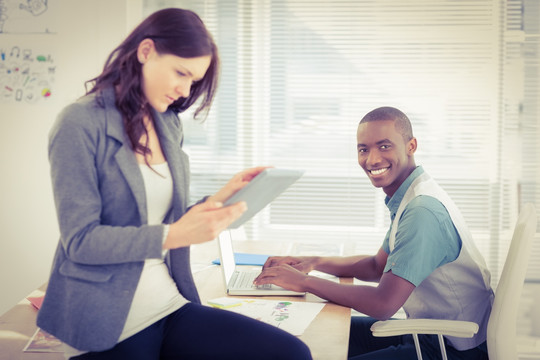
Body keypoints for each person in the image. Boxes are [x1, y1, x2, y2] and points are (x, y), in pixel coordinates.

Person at [36, 8, 312, 360]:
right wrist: (175, 235)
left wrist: (225, 196)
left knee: (291, 353)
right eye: (181, 73)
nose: (185, 90)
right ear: (146, 51)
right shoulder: (79, 123)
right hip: (107, 322)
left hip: (167, 303)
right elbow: (81, 241)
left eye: (193, 80)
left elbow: (166, 217)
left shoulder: (166, 123)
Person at [254, 106, 494, 360]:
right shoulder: (411, 196)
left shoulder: (422, 211)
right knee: (312, 335)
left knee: (320, 344)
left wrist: (303, 282)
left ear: (411, 145)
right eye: (363, 149)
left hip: (451, 350)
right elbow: (376, 266)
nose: (372, 160)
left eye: (384, 146)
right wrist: (313, 263)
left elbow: (383, 304)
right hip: (427, 333)